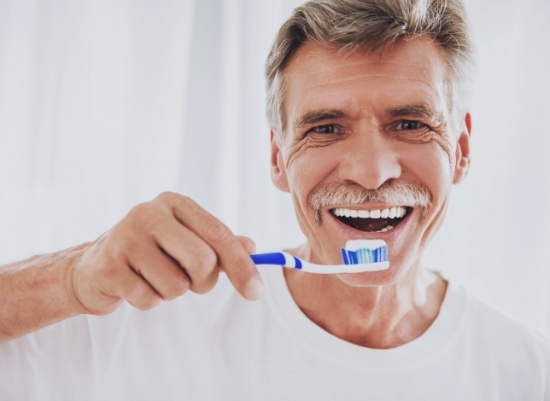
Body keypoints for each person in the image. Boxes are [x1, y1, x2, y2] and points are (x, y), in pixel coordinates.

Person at [1, 0, 549, 399]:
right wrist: (69, 278)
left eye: (409, 123)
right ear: (277, 157)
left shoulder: (525, 372)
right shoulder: (145, 319)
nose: (371, 172)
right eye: (327, 128)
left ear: (462, 149)